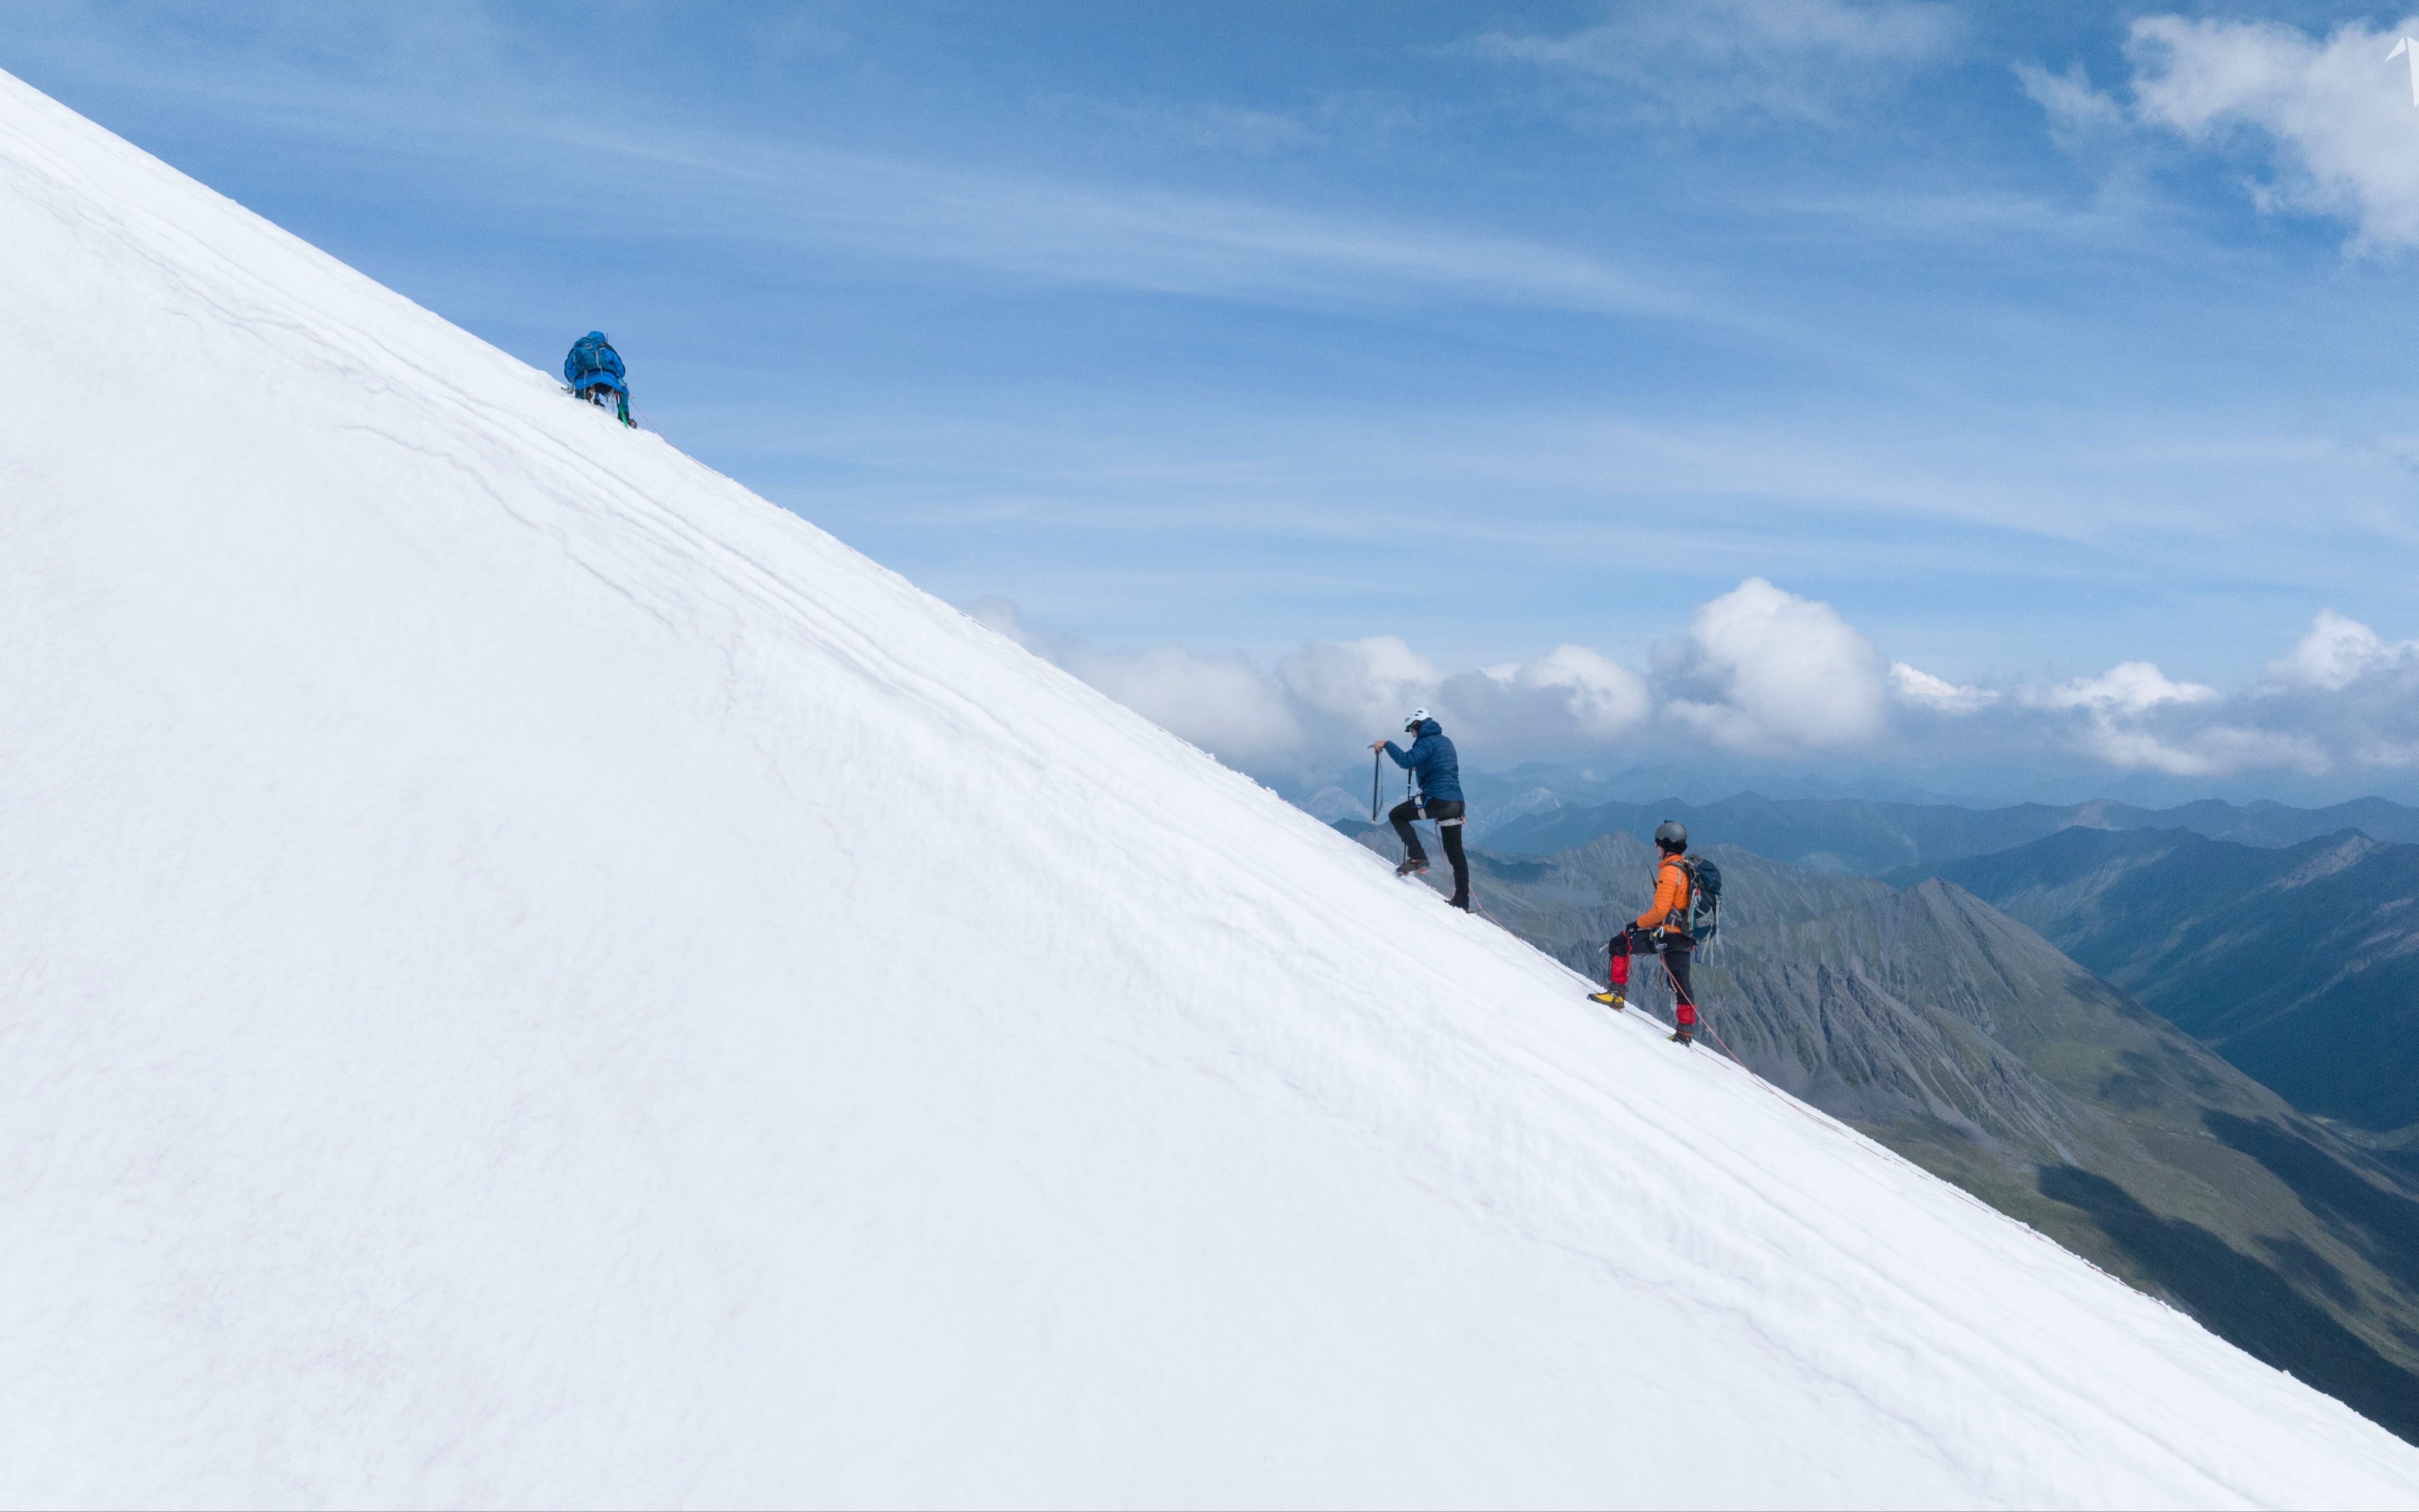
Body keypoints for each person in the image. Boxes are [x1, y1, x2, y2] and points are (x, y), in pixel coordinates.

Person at [1588, 819, 1698, 1046]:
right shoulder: (1687, 869)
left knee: (1620, 943)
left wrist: (1636, 924)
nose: (1656, 848)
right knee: (1681, 984)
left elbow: (1660, 911)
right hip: (1685, 937)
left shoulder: (1670, 872)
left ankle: (1616, 995)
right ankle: (1685, 1033)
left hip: (1668, 935)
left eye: (1658, 844)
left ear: (1665, 845)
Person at [1371, 709, 1470, 911]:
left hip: (1437, 800)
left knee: (1397, 815)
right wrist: (1422, 768)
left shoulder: (1426, 741)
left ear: (1417, 725)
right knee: (1456, 853)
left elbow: (1406, 760)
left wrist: (1386, 744)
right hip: (1456, 803)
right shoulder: (1446, 741)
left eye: (1411, 730)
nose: (1412, 735)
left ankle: (1418, 857)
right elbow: (1441, 767)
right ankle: (1462, 901)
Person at [563, 332, 633, 427]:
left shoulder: (579, 348)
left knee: (581, 386)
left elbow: (569, 370)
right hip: (606, 381)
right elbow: (620, 369)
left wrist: (574, 379)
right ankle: (624, 416)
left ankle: (581, 403)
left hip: (584, 380)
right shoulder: (606, 347)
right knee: (623, 389)